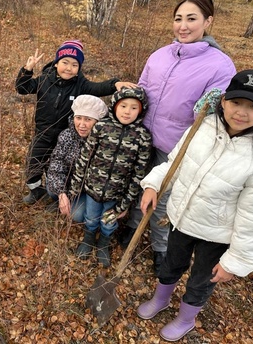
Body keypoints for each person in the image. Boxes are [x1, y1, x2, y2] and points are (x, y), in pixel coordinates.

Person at [136, 69, 253, 341]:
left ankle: (186, 318)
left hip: (216, 234)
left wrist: (236, 262)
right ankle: (161, 299)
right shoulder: (203, 126)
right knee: (171, 263)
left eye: (252, 106)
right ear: (223, 101)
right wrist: (153, 184)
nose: (241, 112)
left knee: (201, 279)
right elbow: (176, 161)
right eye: (236, 102)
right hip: (181, 217)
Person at [120, 0, 237, 275]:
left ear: (208, 21)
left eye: (191, 18)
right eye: (178, 18)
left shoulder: (220, 65)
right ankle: (132, 227)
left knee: (161, 198)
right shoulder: (160, 55)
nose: (183, 26)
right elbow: (144, 90)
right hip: (142, 137)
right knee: (138, 184)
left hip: (176, 146)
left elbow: (214, 115)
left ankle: (160, 245)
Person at [15, 40, 136, 205]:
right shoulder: (44, 79)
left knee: (57, 165)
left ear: (79, 68)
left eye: (74, 65)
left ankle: (58, 195)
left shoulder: (81, 84)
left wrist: (114, 84)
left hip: (65, 134)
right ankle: (36, 190)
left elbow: (98, 88)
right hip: (42, 132)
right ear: (57, 63)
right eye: (65, 62)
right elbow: (23, 88)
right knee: (34, 162)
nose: (68, 68)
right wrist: (27, 70)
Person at [70, 87, 152, 267]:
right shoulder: (101, 127)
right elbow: (85, 158)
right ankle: (88, 238)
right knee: (91, 217)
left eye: (133, 108)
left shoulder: (142, 137)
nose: (127, 111)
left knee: (108, 221)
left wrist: (126, 203)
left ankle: (103, 243)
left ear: (141, 111)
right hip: (93, 189)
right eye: (123, 106)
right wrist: (75, 187)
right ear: (115, 106)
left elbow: (139, 173)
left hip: (117, 194)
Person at [46, 95, 108, 221]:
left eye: (88, 119)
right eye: (78, 118)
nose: (82, 124)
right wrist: (61, 193)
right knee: (51, 189)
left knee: (77, 216)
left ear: (97, 122)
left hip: (86, 190)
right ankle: (59, 201)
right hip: (66, 182)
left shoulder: (104, 142)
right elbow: (56, 164)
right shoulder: (66, 136)